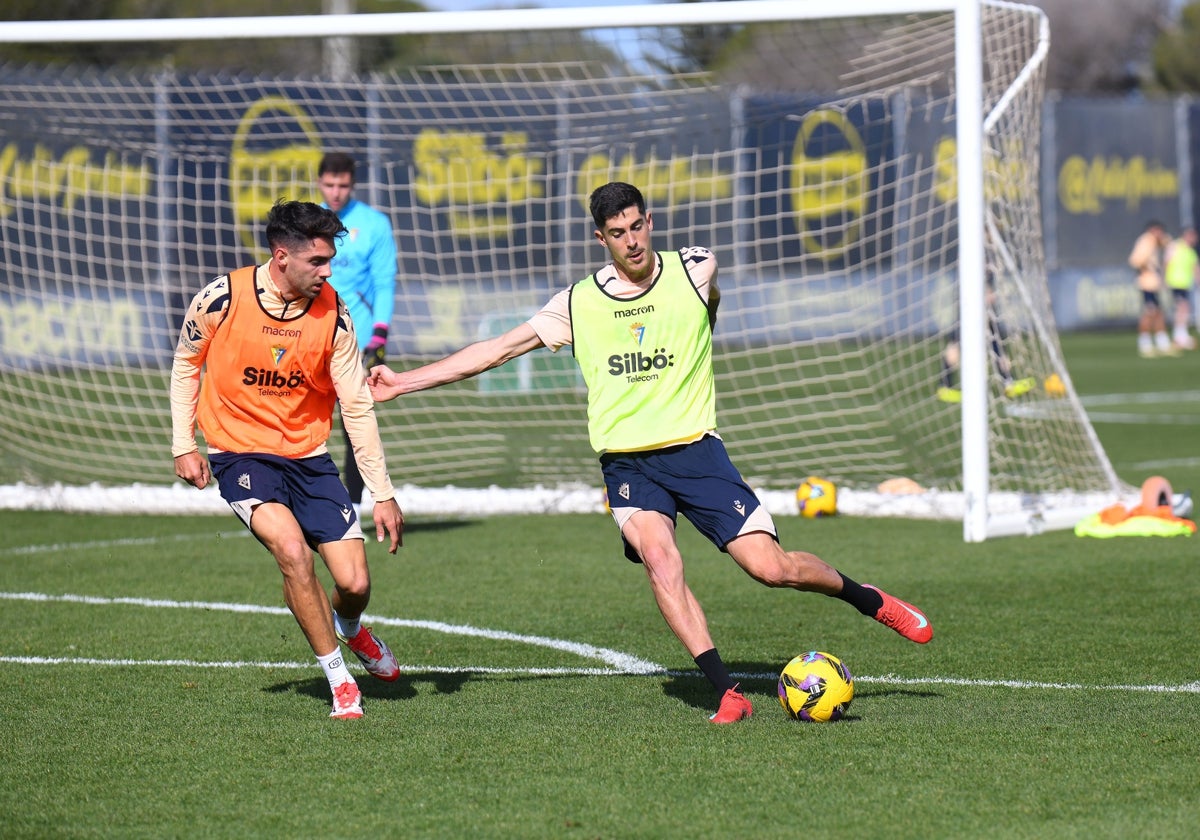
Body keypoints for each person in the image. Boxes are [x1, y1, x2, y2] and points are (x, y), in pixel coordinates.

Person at [368, 181, 932, 725]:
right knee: (662, 560)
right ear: (601, 239)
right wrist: (403, 382)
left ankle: (868, 598)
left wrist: (705, 317)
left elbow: (710, 299)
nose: (632, 240)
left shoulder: (693, 269)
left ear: (650, 222)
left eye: (638, 226)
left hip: (697, 454)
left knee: (771, 569)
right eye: (618, 233)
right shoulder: (578, 302)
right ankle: (727, 691)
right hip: (628, 465)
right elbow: (495, 350)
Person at [170, 199, 405, 720]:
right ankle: (340, 680)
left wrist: (383, 492)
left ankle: (350, 628)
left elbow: (357, 406)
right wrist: (184, 443)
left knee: (355, 584)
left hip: (308, 456)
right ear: (282, 257)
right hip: (239, 452)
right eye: (318, 262)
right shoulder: (221, 298)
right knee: (293, 552)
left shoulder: (335, 314)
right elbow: (187, 363)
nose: (329, 271)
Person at [316, 151, 399, 517]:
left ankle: (351, 509)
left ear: (353, 184)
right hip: (311, 337)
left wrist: (379, 337)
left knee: (356, 427)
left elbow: (384, 283)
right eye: (330, 184)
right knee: (306, 422)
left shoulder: (375, 224)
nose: (336, 192)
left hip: (356, 342)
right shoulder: (309, 222)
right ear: (320, 182)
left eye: (343, 185)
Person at [937, 253, 1035, 403]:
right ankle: (945, 386)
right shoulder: (979, 250)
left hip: (978, 305)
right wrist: (987, 295)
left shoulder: (985, 251)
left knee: (995, 343)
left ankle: (1008, 381)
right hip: (972, 305)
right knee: (958, 343)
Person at [1128, 220, 1177, 358]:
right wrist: (1148, 269)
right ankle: (1145, 343)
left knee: (1158, 312)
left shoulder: (1155, 241)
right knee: (1149, 312)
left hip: (1154, 283)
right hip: (1147, 283)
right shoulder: (1145, 241)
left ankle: (1162, 343)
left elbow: (1169, 244)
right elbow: (1135, 261)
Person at [1163, 226, 1198, 351]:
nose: (1194, 238)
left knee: (1185, 308)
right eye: (1192, 235)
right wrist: (1165, 278)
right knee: (1181, 307)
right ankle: (1178, 336)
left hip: (1185, 284)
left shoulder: (1191, 251)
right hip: (1175, 282)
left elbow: (1195, 269)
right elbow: (1166, 262)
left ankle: (1182, 334)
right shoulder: (1175, 246)